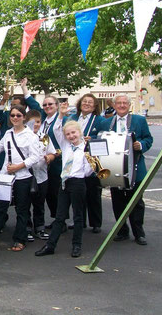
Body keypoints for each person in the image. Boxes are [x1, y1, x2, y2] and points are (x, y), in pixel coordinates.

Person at [35, 102, 95, 258]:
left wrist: (91, 164)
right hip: (65, 182)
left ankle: (77, 245)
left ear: (79, 132)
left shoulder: (86, 147)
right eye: (68, 134)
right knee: (59, 216)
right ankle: (50, 245)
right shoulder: (66, 145)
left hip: (78, 183)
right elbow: (56, 129)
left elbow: (88, 171)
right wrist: (61, 114)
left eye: (73, 133)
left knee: (78, 215)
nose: (71, 136)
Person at [0, 105, 41, 253]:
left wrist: (19, 166)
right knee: (0, 207)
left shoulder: (31, 136)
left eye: (18, 115)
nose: (15, 118)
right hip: (5, 176)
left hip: (23, 176)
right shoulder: (8, 133)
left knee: (22, 209)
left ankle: (20, 239)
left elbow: (35, 157)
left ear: (24, 118)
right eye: (13, 115)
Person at [100, 94, 152, 245]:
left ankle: (139, 233)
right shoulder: (106, 123)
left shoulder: (139, 120)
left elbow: (148, 139)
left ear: (129, 106)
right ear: (114, 105)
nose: (122, 105)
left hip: (135, 167)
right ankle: (122, 231)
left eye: (125, 103)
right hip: (115, 169)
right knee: (118, 201)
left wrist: (140, 145)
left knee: (136, 202)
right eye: (119, 103)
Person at [68, 93, 105, 233]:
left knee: (93, 192)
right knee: (78, 193)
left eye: (90, 102)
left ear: (95, 106)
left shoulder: (99, 120)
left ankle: (96, 223)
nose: (87, 104)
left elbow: (104, 136)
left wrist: (93, 138)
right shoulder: (73, 118)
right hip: (76, 159)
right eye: (84, 101)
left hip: (91, 159)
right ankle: (80, 220)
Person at [25, 110, 55, 240]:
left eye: (38, 122)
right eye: (32, 122)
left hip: (42, 176)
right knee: (25, 204)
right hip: (26, 176)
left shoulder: (45, 137)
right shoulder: (23, 137)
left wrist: (49, 157)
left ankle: (39, 228)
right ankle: (26, 228)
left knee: (39, 204)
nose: (35, 124)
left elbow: (52, 152)